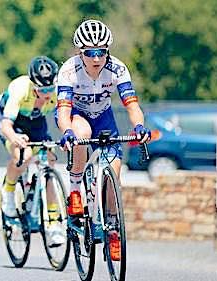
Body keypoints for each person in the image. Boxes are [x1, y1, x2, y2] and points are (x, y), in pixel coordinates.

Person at [56, 19, 151, 259]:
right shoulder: (69, 70)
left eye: (102, 52)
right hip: (77, 115)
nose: (97, 58)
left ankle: (112, 230)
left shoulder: (117, 68)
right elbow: (63, 112)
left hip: (104, 117)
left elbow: (132, 106)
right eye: (90, 53)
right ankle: (76, 191)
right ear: (81, 52)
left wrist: (139, 126)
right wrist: (66, 131)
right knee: (81, 134)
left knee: (113, 176)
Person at [0, 55, 66, 246]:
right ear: (33, 85)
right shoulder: (19, 88)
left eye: (51, 88)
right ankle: (8, 192)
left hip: (36, 123)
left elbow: (65, 117)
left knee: (49, 164)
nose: (48, 94)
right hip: (11, 122)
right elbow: (5, 125)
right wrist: (15, 138)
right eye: (43, 90)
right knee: (23, 156)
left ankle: (53, 223)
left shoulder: (58, 92)